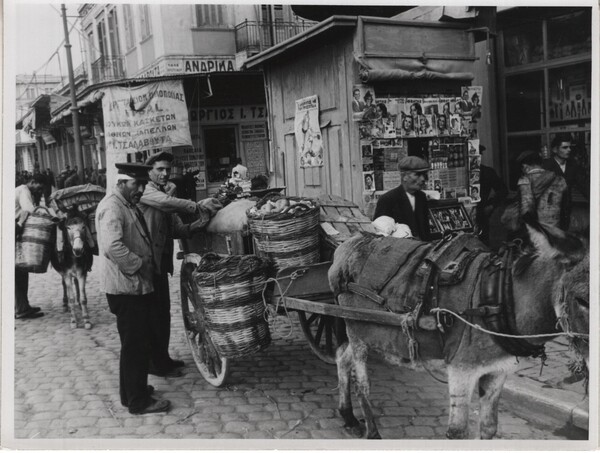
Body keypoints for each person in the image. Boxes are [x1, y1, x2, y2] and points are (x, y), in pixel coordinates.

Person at [96, 162, 171, 415]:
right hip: (125, 289)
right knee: (135, 345)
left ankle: (131, 392)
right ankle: (138, 401)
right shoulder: (112, 207)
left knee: (134, 344)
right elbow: (112, 247)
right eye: (135, 184)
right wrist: (139, 264)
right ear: (121, 183)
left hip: (132, 286)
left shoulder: (126, 204)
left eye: (142, 183)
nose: (140, 188)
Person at [139, 151, 222, 378]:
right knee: (152, 314)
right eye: (160, 169)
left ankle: (162, 358)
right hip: (146, 261)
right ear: (149, 172)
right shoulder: (146, 191)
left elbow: (176, 229)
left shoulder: (164, 194)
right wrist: (196, 206)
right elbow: (167, 204)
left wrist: (198, 224)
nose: (165, 173)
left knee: (163, 312)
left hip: (161, 262)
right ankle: (155, 364)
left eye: (167, 169)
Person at [374, 156, 432, 241]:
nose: (423, 179)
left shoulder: (422, 197)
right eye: (417, 175)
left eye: (424, 175)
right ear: (404, 176)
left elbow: (425, 230)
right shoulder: (388, 199)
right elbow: (380, 234)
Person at [542, 133, 589, 230]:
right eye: (565, 147)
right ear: (555, 149)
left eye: (570, 147)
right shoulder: (545, 166)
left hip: (566, 211)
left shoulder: (573, 166)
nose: (569, 150)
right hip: (547, 213)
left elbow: (584, 186)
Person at [513, 150, 569, 232]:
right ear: (541, 164)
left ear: (524, 166)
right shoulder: (560, 180)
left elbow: (526, 211)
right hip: (557, 231)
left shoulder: (525, 181)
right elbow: (566, 208)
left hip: (537, 235)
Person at [15, 173, 46, 320]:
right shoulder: (24, 191)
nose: (40, 189)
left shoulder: (23, 190)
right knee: (17, 272)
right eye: (39, 185)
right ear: (33, 182)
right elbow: (30, 210)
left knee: (21, 269)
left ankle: (24, 305)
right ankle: (21, 309)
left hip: (15, 231)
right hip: (12, 231)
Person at [476, 145, 508, 245]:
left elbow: (503, 190)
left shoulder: (487, 172)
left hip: (481, 214)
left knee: (481, 244)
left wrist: (491, 205)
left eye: (478, 155)